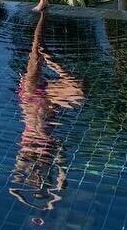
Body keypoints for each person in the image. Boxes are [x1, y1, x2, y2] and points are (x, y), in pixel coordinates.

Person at [9, 11, 86, 211]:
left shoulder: (25, 157)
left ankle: (42, 18)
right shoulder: (52, 154)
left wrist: (28, 202)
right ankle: (52, 62)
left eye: (35, 181)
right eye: (42, 181)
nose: (38, 177)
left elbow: (13, 188)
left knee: (35, 51)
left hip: (31, 96)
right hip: (49, 101)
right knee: (81, 90)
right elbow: (62, 182)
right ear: (46, 178)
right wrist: (50, 202)